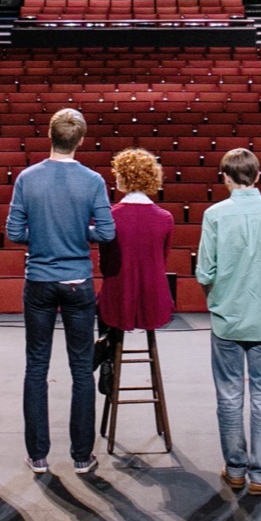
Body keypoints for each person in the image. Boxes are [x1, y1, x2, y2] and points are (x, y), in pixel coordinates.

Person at [5, 107, 116, 475]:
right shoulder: (93, 180)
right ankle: (82, 456)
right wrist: (77, 232)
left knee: (36, 366)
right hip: (77, 281)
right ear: (80, 140)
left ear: (50, 135)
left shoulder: (27, 177)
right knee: (81, 369)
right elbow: (107, 232)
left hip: (39, 280)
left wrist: (46, 234)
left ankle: (37, 455)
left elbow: (15, 232)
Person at [194, 148, 261, 497]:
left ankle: (236, 470)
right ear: (257, 176)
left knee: (228, 395)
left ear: (225, 177)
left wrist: (219, 293)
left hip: (226, 318)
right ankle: (260, 474)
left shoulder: (214, 214)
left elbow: (204, 271)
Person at [94, 148, 175, 394]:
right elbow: (161, 261)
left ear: (122, 179)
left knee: (102, 302)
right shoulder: (165, 218)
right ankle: (106, 355)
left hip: (117, 300)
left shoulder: (110, 216)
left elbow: (105, 265)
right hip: (153, 301)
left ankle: (106, 355)